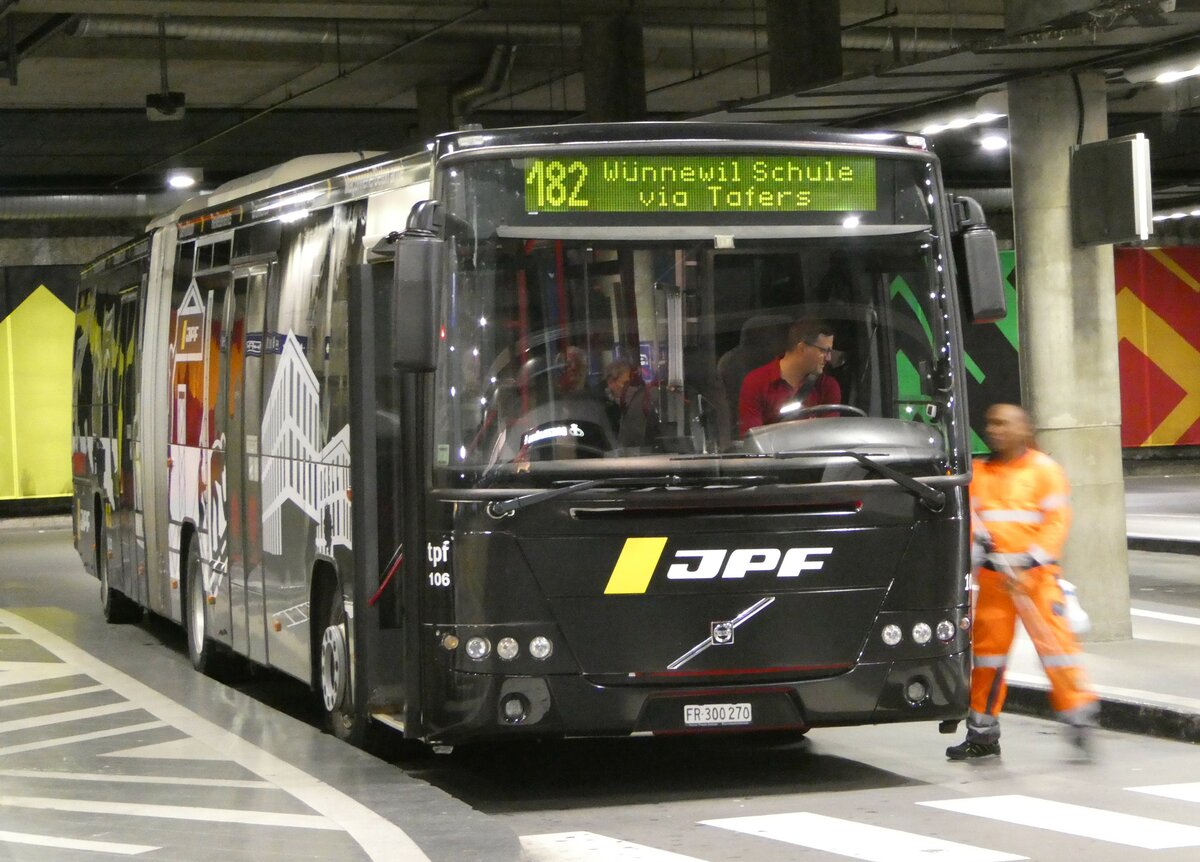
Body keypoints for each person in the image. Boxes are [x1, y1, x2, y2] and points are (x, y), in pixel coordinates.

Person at [946, 403, 1098, 762]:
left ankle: (1079, 718)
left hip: (1036, 579)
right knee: (987, 661)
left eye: (1003, 423)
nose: (993, 429)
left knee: (1058, 653)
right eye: (990, 423)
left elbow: (1056, 522)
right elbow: (972, 524)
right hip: (995, 582)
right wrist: (978, 549)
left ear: (1023, 429)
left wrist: (1032, 558)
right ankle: (982, 735)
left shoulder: (1045, 471)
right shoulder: (979, 473)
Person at [737, 319, 841, 438]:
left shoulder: (828, 386)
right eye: (824, 351)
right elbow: (751, 440)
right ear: (802, 348)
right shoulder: (756, 383)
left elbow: (830, 439)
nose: (828, 358)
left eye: (830, 351)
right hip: (771, 456)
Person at [604, 358, 661, 451]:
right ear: (611, 383)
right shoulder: (605, 408)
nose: (630, 389)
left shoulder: (640, 403)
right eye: (625, 384)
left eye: (633, 384)